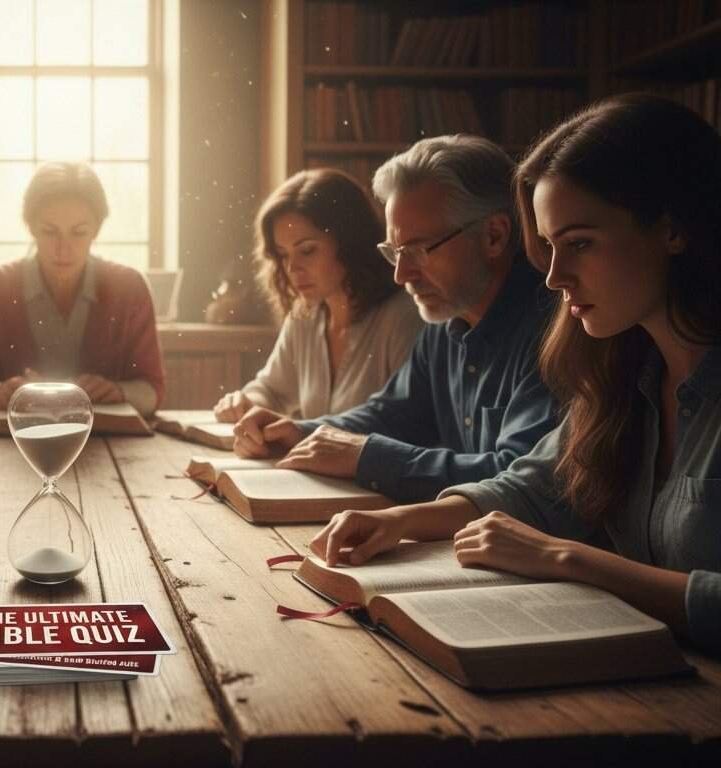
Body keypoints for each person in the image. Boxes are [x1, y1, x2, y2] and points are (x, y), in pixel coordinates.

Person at [308, 94, 721, 656]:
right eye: (548, 247)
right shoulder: (624, 371)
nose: (553, 276)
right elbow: (537, 485)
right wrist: (402, 521)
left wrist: (566, 558)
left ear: (672, 228)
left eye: (579, 244)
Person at [234, 135, 560, 504]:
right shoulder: (445, 323)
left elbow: (518, 482)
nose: (401, 274)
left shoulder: (553, 331)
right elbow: (392, 414)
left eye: (419, 249)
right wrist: (299, 431)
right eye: (396, 251)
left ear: (494, 236)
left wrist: (366, 456)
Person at [0, 161, 166, 417]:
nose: (64, 248)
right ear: (31, 227)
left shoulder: (130, 288)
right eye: (49, 232)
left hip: (105, 439)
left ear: (97, 230)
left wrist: (118, 391)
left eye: (78, 233)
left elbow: (152, 391)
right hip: (14, 438)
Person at [212, 168, 422, 423]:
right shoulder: (305, 317)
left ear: (349, 242)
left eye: (307, 250)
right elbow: (272, 390)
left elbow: (407, 424)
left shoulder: (402, 317)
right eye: (283, 254)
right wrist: (244, 403)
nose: (292, 268)